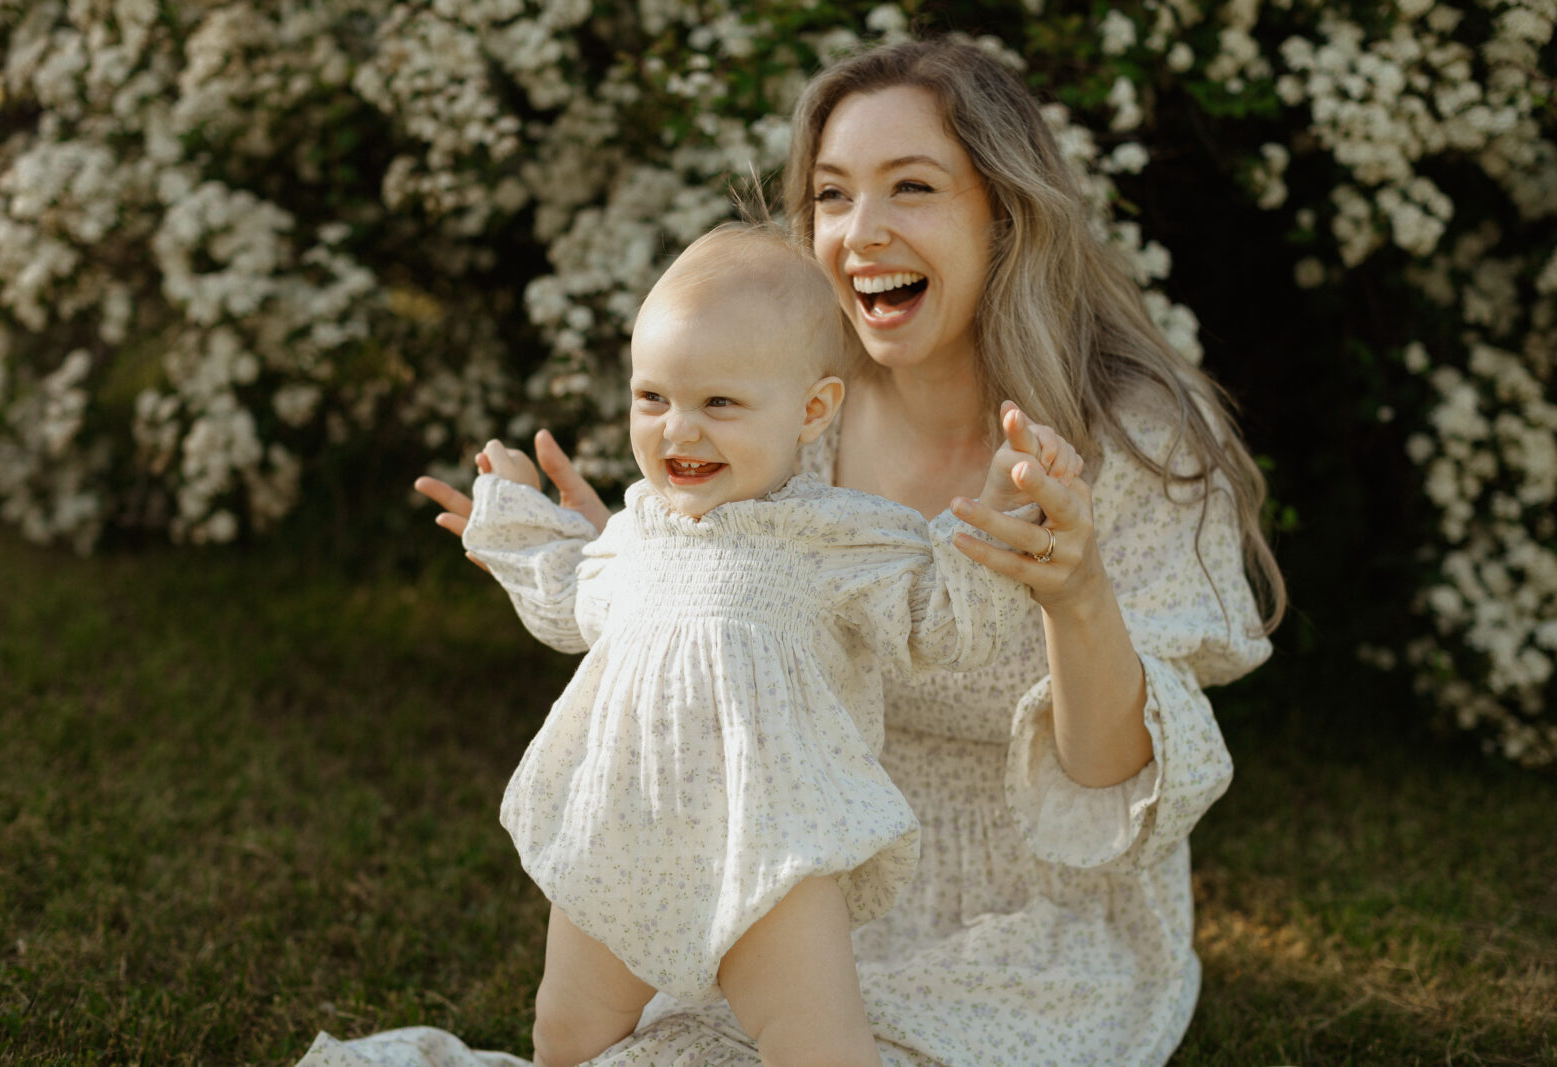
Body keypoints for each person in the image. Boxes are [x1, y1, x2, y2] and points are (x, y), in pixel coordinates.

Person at [300, 34, 1283, 1067]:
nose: (862, 232)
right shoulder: (781, 416)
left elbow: (1107, 775)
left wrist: (1075, 594)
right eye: (830, 194)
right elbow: (725, 630)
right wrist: (640, 576)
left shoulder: (1129, 443)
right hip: (792, 871)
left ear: (1004, 213)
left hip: (1032, 923)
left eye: (912, 187)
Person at [460, 222, 1080, 1067]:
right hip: (626, 836)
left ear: (812, 409)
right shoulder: (639, 531)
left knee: (821, 1048)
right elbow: (571, 595)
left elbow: (938, 617)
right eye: (653, 398)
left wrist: (1002, 500)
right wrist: (515, 516)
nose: (680, 431)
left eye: (720, 403)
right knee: (565, 1034)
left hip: (777, 856)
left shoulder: (832, 536)